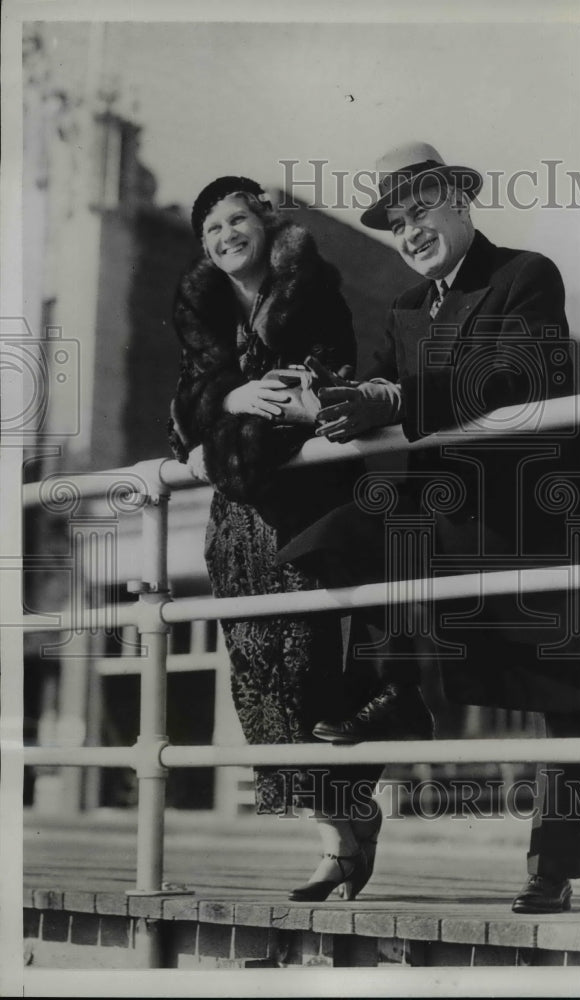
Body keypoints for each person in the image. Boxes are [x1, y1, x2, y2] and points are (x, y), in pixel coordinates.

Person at [277, 143, 580, 913]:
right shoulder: (407, 307)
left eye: (421, 211)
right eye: (397, 223)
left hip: (541, 513)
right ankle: (391, 718)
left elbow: (514, 375)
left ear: (460, 201)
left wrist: (398, 399)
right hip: (452, 513)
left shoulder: (525, 275)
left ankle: (552, 869)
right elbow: (382, 381)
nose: (411, 232)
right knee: (340, 542)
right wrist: (334, 397)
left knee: (569, 690)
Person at [168, 175, 382, 902]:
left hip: (305, 515)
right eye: (211, 229)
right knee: (259, 688)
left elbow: (309, 395)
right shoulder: (201, 309)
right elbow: (182, 410)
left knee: (312, 682)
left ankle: (346, 828)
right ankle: (338, 838)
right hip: (237, 528)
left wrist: (219, 436)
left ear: (263, 223)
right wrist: (231, 397)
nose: (226, 236)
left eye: (237, 220)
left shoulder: (312, 290)